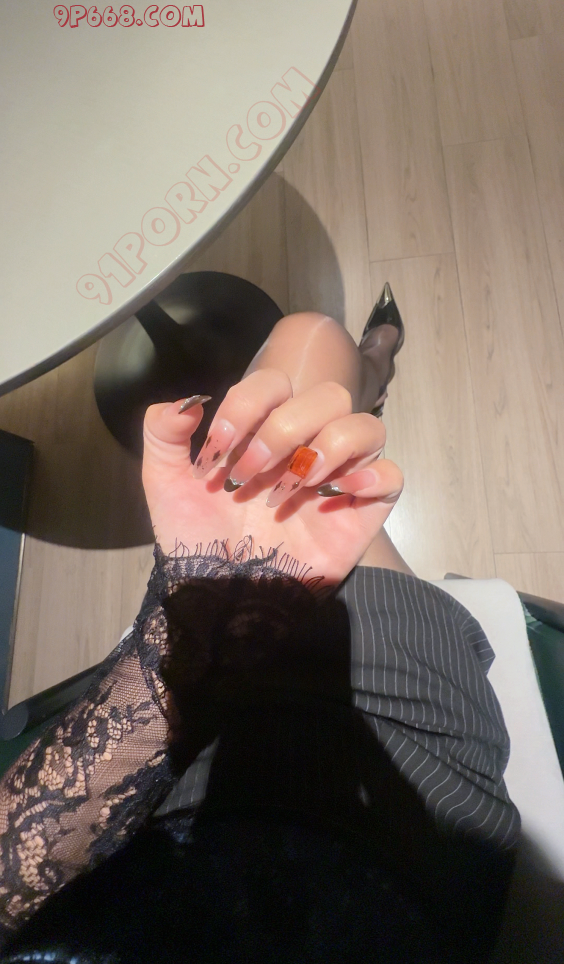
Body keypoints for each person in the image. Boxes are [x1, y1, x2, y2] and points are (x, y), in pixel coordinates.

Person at [0, 288, 520, 963]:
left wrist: (192, 639)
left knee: (304, 357)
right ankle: (373, 367)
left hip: (163, 801)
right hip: (407, 808)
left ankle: (366, 380)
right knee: (311, 345)